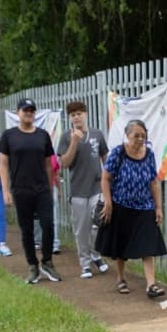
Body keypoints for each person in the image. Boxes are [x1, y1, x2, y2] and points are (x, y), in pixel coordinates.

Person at [95, 119, 167, 298]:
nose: (140, 139)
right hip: (121, 205)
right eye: (136, 135)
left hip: (144, 206)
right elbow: (105, 178)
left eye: (143, 135)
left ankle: (151, 285)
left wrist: (158, 207)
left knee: (148, 246)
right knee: (121, 245)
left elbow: (154, 182)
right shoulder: (118, 152)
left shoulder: (149, 154)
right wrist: (108, 203)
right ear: (127, 136)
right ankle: (121, 279)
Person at [0, 98, 61, 283]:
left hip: (42, 189)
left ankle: (47, 262)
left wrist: (50, 186)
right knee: (26, 230)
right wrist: (5, 191)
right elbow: (3, 165)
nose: (29, 113)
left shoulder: (42, 135)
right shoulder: (9, 136)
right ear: (18, 112)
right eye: (25, 110)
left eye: (32, 110)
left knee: (48, 225)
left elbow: (48, 164)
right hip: (21, 190)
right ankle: (33, 266)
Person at [58, 100, 109, 278]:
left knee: (97, 224)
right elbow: (65, 163)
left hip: (97, 187)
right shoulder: (66, 136)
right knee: (81, 229)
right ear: (69, 118)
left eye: (79, 113)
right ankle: (85, 263)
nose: (76, 117)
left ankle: (96, 255)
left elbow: (105, 157)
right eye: (73, 115)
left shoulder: (97, 134)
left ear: (86, 114)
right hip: (78, 189)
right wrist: (74, 142)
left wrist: (110, 179)